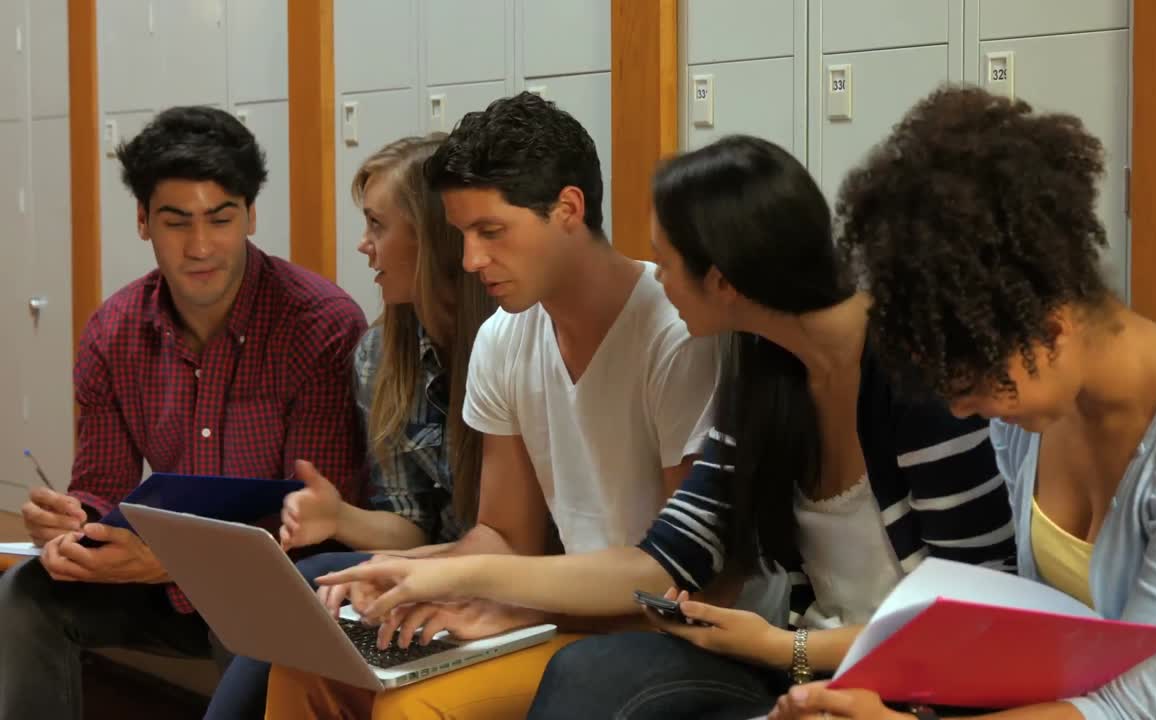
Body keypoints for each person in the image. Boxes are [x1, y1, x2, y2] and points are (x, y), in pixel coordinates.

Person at [321, 134, 1017, 720]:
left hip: (912, 688)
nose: (656, 279)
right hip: (807, 669)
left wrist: (789, 652)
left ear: (725, 279)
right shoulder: (764, 376)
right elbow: (666, 559)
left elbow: (976, 618)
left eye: (669, 261)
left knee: (590, 677)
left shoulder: (913, 382)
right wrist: (457, 575)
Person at [768, 86, 1156, 720]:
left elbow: (1137, 707)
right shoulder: (1035, 416)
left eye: (974, 384)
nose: (963, 412)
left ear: (1052, 327)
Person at [264, 92, 723, 720]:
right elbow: (506, 534)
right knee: (308, 667)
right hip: (567, 615)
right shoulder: (505, 338)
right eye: (462, 235)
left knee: (409, 708)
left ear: (568, 208)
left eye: (491, 232)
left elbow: (684, 577)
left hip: (670, 634)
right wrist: (396, 569)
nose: (472, 260)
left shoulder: (673, 333)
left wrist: (475, 587)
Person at [0, 105, 368, 720]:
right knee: (24, 595)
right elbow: (100, 487)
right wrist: (72, 525)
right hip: (152, 580)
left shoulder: (321, 327)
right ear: (143, 221)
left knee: (251, 624)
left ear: (251, 214)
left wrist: (178, 562)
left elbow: (320, 523)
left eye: (221, 219)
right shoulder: (113, 332)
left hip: (276, 580)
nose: (200, 247)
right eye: (176, 222)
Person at [203, 135, 497, 719]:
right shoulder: (379, 356)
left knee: (316, 590)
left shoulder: (510, 343)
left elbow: (524, 542)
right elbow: (412, 523)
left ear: (434, 236)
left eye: (377, 225)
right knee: (299, 585)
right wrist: (339, 518)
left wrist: (407, 569)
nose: (363, 246)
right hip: (440, 561)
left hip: (510, 580)